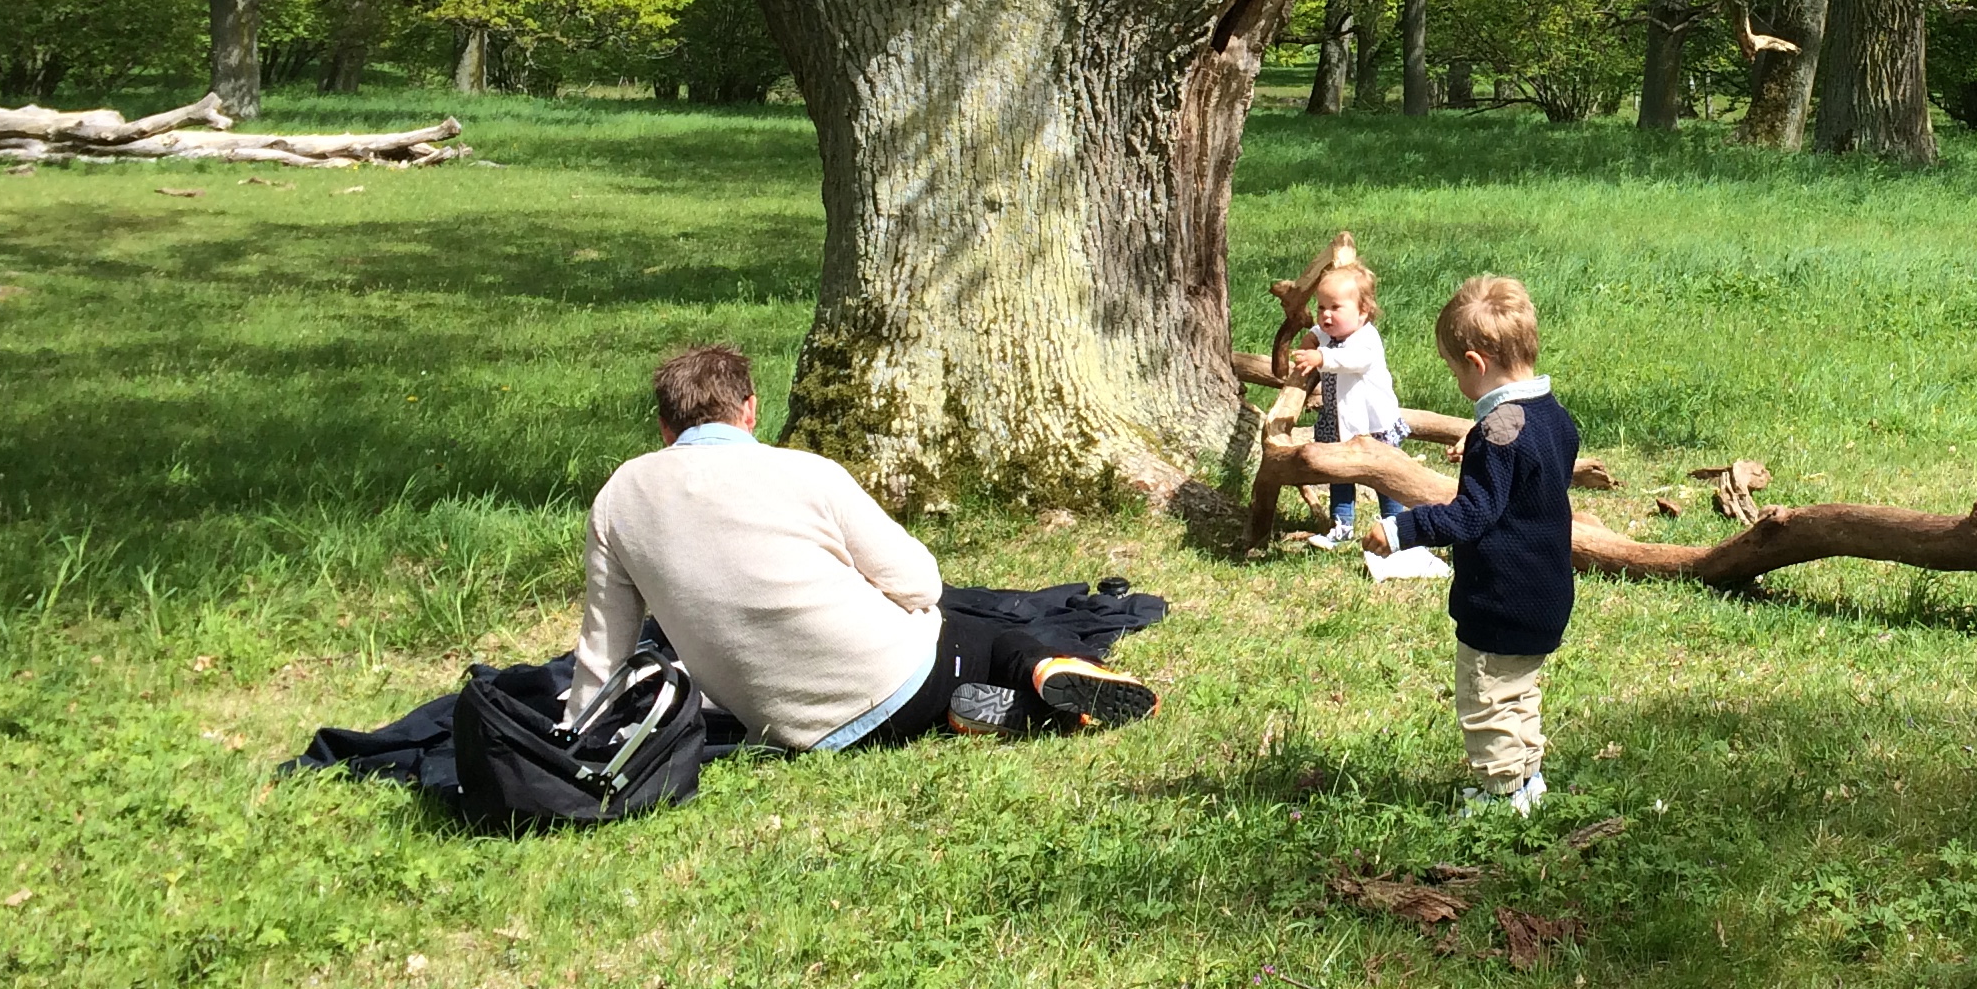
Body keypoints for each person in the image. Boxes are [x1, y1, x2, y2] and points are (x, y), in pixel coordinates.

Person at [570, 344, 1153, 750]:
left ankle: (978, 710)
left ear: (665, 428)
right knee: (991, 635)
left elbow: (604, 648)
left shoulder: (618, 497)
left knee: (955, 659)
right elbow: (920, 584)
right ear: (749, 410)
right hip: (893, 686)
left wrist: (578, 734)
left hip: (776, 724)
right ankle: (1043, 674)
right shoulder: (804, 472)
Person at [1352, 275, 1576, 816]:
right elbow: (1529, 461)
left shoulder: (1500, 432)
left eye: (1456, 372)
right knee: (1520, 689)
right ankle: (1527, 779)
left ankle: (1500, 796)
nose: (1457, 383)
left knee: (1487, 698)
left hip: (1501, 597)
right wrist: (1479, 439)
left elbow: (1470, 516)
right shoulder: (1553, 416)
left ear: (1476, 363)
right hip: (1547, 591)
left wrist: (1401, 531)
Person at [1285, 257, 1410, 552]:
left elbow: (1354, 360)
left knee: (1384, 476)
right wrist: (1311, 338)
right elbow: (1321, 333)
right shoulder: (1332, 331)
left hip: (1371, 423)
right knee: (1338, 472)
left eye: (1335, 308)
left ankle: (1394, 525)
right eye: (1321, 307)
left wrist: (1321, 358)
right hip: (1338, 420)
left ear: (1363, 311)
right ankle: (1341, 525)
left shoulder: (1367, 339)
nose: (1326, 316)